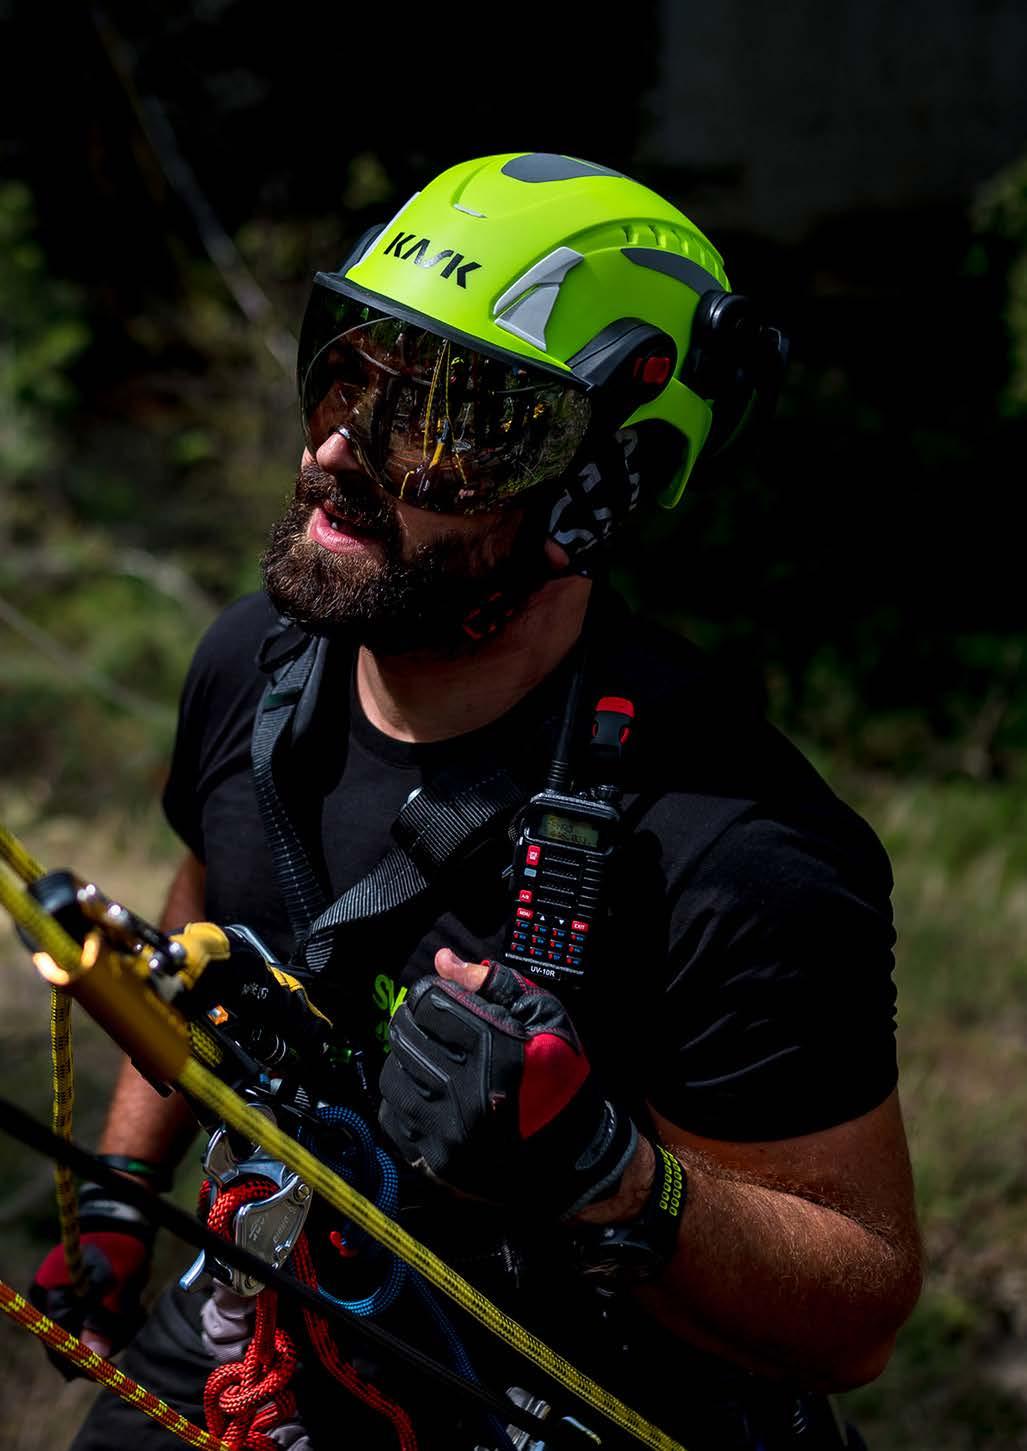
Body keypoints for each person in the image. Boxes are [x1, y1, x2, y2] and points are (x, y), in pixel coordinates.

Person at [32, 151, 922, 1451]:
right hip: (262, 1333)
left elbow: (860, 1313)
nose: (338, 448)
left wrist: (607, 1174)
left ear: (597, 490)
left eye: (446, 424)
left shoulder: (736, 850)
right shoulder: (252, 670)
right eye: (345, 373)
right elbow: (211, 918)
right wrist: (122, 1196)